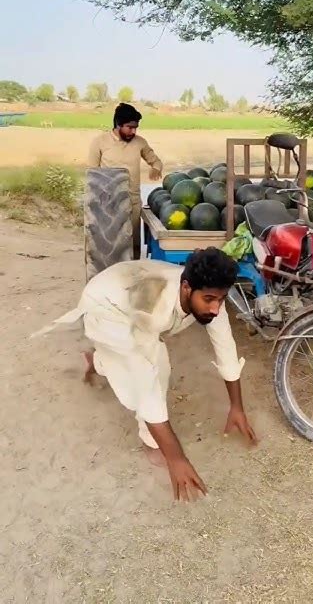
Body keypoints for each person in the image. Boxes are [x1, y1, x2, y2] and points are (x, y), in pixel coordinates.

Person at [33, 248, 257, 501]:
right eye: (209, 300)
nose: (216, 308)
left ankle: (98, 360)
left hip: (125, 290)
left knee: (134, 362)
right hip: (106, 306)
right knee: (155, 368)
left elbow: (225, 345)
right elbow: (147, 383)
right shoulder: (154, 306)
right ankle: (150, 442)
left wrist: (237, 407)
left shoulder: (209, 295)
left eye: (221, 299)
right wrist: (177, 459)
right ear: (186, 288)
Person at [87, 103, 162, 259]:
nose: (133, 131)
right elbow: (92, 174)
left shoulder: (140, 142)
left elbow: (156, 161)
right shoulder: (100, 142)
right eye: (129, 127)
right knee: (110, 245)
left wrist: (156, 168)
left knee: (132, 243)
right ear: (118, 124)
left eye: (136, 128)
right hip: (108, 203)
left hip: (132, 202)